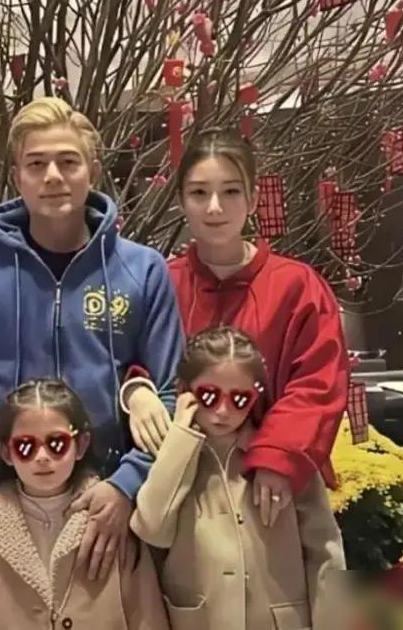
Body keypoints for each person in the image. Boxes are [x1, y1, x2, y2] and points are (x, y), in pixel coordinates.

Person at [0, 97, 184, 589]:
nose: (53, 176)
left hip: (111, 507)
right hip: (5, 504)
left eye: (68, 161)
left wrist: (128, 484)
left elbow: (171, 390)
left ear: (93, 171)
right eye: (37, 164)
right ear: (17, 176)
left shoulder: (142, 270)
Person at [123, 129, 349, 528]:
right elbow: (129, 356)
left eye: (230, 191)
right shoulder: (160, 282)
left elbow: (318, 383)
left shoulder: (296, 285)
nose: (215, 207)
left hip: (269, 486)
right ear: (180, 200)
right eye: (199, 193)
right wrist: (136, 390)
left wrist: (278, 456)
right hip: (177, 485)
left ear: (253, 198)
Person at [131, 327, 344, 630]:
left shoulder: (282, 458)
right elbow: (152, 529)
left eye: (239, 399)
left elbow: (325, 552)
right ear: (184, 391)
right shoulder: (172, 454)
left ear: (255, 397)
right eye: (208, 396)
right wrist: (180, 437)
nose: (223, 411)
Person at [0, 379, 169, 629]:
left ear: (81, 445)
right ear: (6, 452)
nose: (42, 457)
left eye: (56, 444)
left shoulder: (110, 517)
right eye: (25, 447)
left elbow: (145, 613)